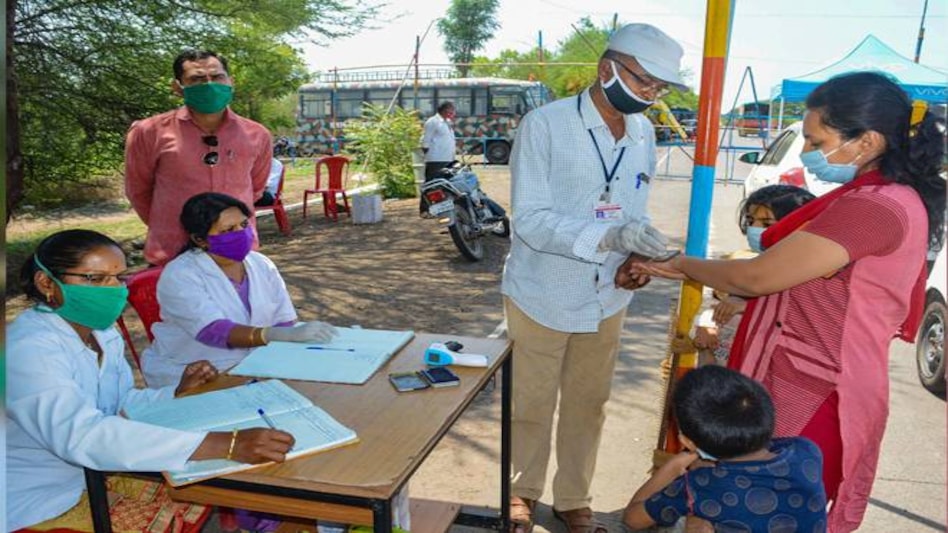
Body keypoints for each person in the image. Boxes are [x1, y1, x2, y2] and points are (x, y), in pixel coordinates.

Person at [632, 72, 945, 532]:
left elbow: (759, 276)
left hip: (815, 392)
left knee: (757, 510)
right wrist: (690, 269)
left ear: (867, 141)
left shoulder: (875, 207)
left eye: (817, 140)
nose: (805, 154)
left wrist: (684, 263)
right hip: (802, 378)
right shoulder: (876, 196)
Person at [500, 23, 686, 533]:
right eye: (645, 82)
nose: (652, 95)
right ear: (608, 70)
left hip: (607, 296)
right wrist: (605, 238)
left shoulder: (645, 132)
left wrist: (632, 257)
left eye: (660, 88)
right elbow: (531, 220)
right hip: (541, 291)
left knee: (589, 404)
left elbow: (632, 211)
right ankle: (520, 492)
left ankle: (572, 498)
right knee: (531, 403)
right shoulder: (546, 125)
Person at [6, 229, 295, 531]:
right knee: (206, 484)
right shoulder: (27, 348)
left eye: (118, 278)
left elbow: (119, 403)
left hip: (91, 471)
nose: (113, 289)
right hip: (39, 494)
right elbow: (80, 435)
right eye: (95, 279)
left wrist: (175, 393)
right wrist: (224, 444)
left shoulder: (100, 331)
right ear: (46, 283)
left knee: (217, 485)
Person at [141, 192, 338, 388]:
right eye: (228, 230)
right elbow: (212, 331)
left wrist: (288, 338)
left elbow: (283, 318)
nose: (241, 233)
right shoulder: (180, 274)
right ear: (200, 239)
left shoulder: (260, 264)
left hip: (257, 364)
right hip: (197, 372)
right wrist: (275, 335)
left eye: (244, 225)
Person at [623, 366, 827, 532]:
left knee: (691, 524)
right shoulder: (806, 450)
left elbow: (633, 519)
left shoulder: (700, 485)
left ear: (688, 442)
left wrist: (675, 465)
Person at [125, 48, 272, 266]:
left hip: (238, 252)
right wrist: (172, 228)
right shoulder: (149, 132)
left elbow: (256, 188)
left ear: (231, 81)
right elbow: (139, 191)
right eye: (197, 79)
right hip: (172, 254)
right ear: (178, 87)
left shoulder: (257, 134)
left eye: (217, 77)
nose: (209, 85)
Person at [692, 185, 816, 362]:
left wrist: (747, 307)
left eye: (766, 224)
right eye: (751, 221)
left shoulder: (811, 269)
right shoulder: (752, 264)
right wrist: (707, 329)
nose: (754, 229)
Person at [422, 101, 457, 180]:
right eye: (451, 109)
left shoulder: (448, 122)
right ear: (445, 110)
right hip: (436, 159)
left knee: (445, 184)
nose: (453, 112)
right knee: (434, 183)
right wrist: (425, 156)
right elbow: (426, 140)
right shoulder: (433, 121)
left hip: (448, 158)